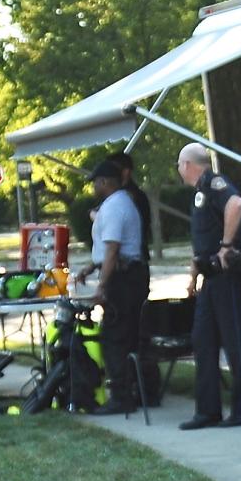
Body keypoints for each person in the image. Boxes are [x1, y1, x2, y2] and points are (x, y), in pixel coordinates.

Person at [177, 143, 241, 430]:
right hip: (209, 279)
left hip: (228, 275)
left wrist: (226, 246)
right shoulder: (200, 193)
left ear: (188, 164)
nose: (178, 171)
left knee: (235, 344)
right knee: (203, 342)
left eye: (179, 165)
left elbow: (236, 204)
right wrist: (193, 277)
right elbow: (201, 242)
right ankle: (207, 411)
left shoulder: (214, 183)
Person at [76, 157, 149, 414]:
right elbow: (105, 253)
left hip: (124, 280)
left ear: (105, 182)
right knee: (126, 336)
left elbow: (113, 249)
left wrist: (102, 286)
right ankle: (134, 391)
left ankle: (120, 396)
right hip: (127, 275)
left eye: (95, 182)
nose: (93, 187)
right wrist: (91, 266)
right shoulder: (119, 203)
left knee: (114, 338)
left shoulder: (115, 207)